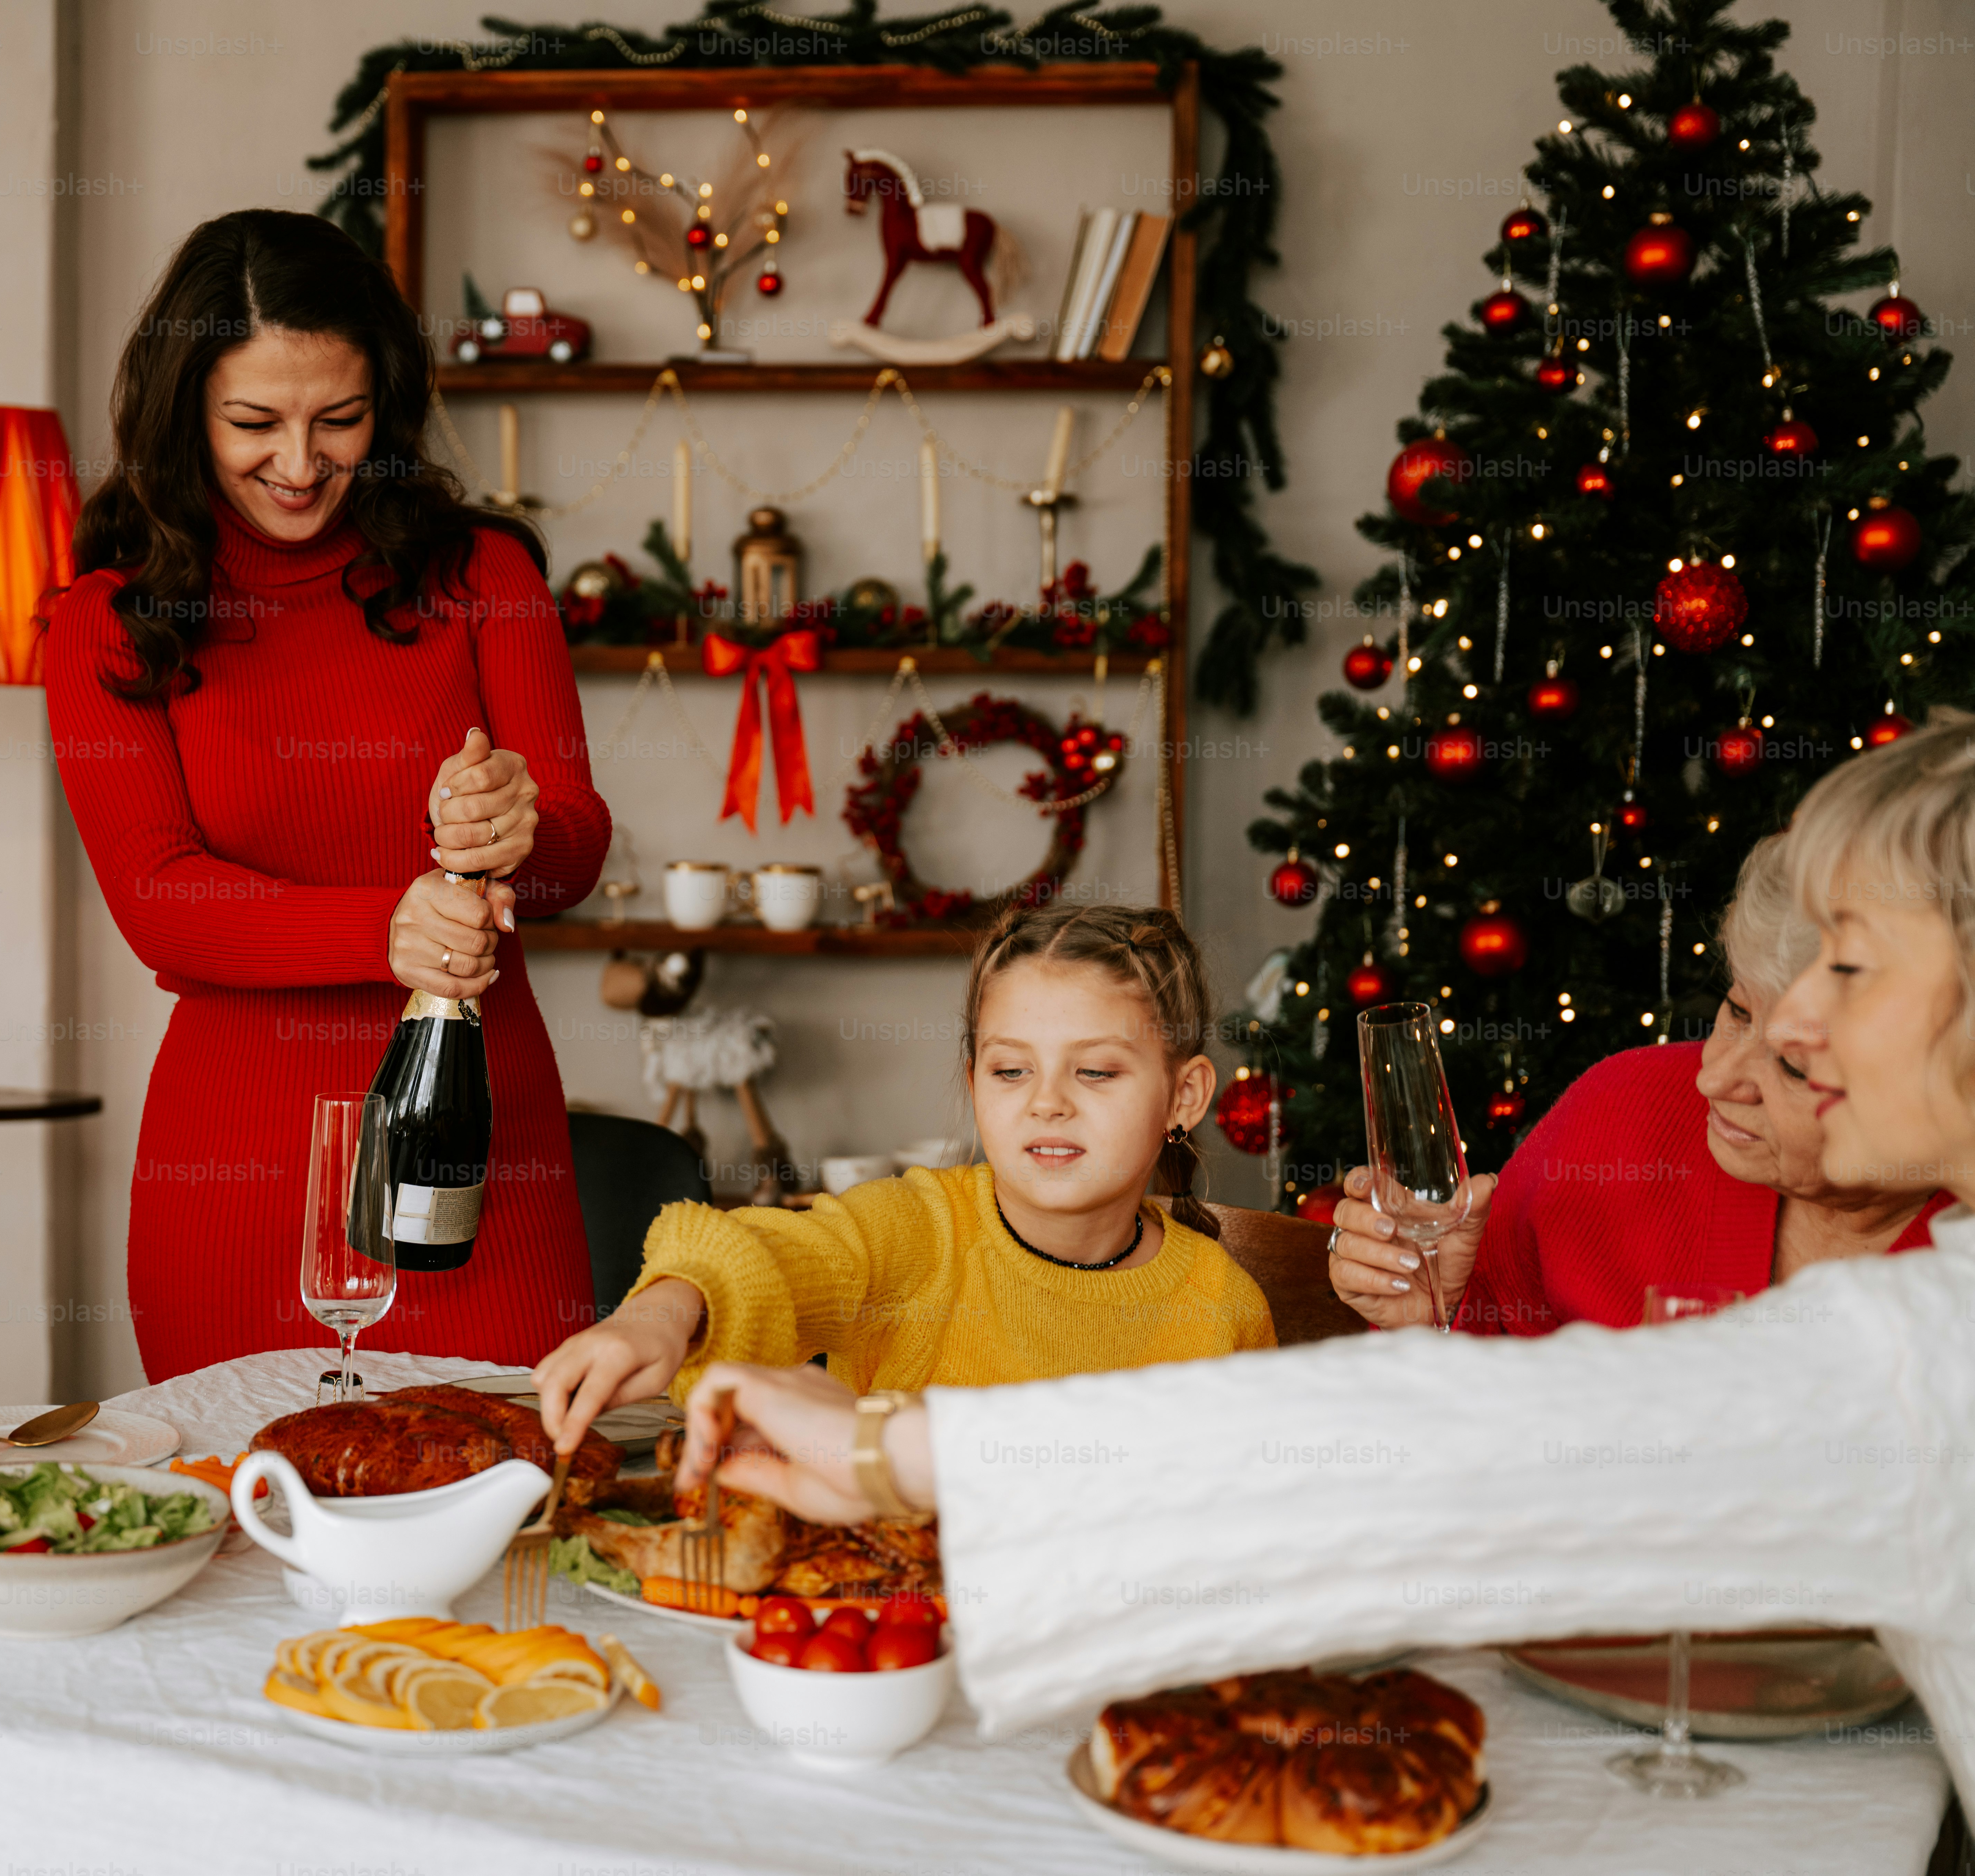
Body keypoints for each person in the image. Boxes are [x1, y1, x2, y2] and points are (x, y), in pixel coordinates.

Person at [668, 712, 1975, 1800]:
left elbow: (1460, 1450)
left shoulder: (1931, 1352)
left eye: (1851, 969)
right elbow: (1474, 1426)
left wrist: (892, 1453)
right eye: (1758, 993)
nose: (1792, 1026)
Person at [47, 209, 611, 1377]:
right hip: (238, 1161)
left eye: (338, 421)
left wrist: (517, 828)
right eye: (254, 422)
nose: (300, 465)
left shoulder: (482, 576)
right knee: (244, 1513)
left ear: (386, 410)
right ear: (184, 410)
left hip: (478, 1146)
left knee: (513, 1492)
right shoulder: (107, 622)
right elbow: (159, 898)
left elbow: (571, 850)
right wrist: (386, 924)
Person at [534, 903, 1274, 1453]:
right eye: (1010, 1070)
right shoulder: (916, 1230)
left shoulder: (1221, 1308)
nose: (1046, 1101)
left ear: (1183, 1095)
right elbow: (766, 1252)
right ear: (973, 1079)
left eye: (1094, 1071)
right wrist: (658, 1313)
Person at [1327, 832, 1943, 1331]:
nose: (1714, 1078)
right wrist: (1439, 1314)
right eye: (1736, 1011)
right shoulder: (1620, 1109)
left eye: (1791, 1066)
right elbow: (1479, 1398)